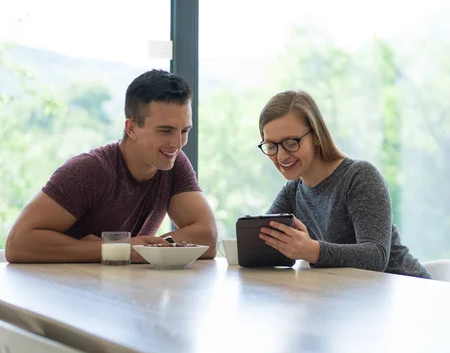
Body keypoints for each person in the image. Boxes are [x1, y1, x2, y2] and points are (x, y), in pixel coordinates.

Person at [6, 70, 217, 263]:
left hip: (114, 293)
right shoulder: (90, 170)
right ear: (132, 128)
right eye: (165, 131)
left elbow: (207, 236)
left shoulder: (174, 164)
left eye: (184, 131)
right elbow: (18, 244)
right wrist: (119, 249)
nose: (177, 143)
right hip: (59, 295)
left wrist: (139, 250)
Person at [257, 89, 431, 280]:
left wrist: (311, 250)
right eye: (271, 146)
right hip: (353, 299)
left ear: (316, 135)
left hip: (407, 291)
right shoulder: (293, 191)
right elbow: (262, 244)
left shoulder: (360, 176)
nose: (281, 156)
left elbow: (376, 257)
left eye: (291, 143)